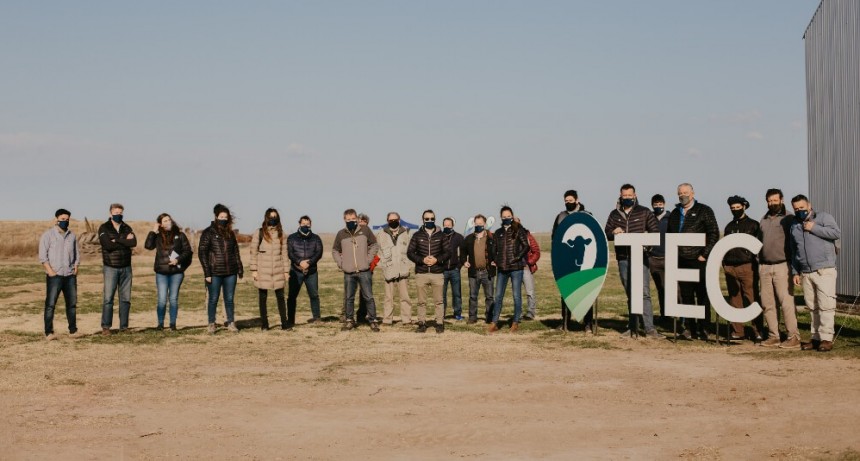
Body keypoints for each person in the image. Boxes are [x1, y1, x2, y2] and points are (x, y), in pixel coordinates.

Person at [604, 184, 662, 339]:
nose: (627, 198)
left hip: (641, 258)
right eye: (625, 196)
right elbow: (606, 233)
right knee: (630, 293)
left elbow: (655, 232)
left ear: (635, 195)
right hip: (623, 259)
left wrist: (646, 245)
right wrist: (613, 232)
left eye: (630, 195)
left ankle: (649, 329)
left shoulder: (644, 212)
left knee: (644, 293)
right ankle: (633, 327)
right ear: (620, 195)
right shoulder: (614, 214)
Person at [789, 195, 841, 352]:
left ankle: (826, 339)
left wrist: (814, 228)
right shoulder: (794, 226)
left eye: (802, 207)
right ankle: (816, 338)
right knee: (812, 307)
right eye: (796, 209)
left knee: (826, 305)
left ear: (809, 205)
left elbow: (836, 233)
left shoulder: (824, 217)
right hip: (806, 272)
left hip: (824, 270)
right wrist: (795, 272)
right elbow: (794, 251)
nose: (799, 211)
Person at [667, 183, 719, 341]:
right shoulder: (675, 213)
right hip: (681, 261)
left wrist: (704, 254)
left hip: (699, 260)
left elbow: (714, 233)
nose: (683, 195)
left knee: (702, 295)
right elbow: (670, 235)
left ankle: (705, 328)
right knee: (686, 296)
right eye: (680, 193)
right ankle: (690, 329)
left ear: (693, 193)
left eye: (685, 192)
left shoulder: (704, 210)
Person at [757, 189, 800, 348]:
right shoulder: (763, 219)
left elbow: (796, 242)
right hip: (765, 266)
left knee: (786, 302)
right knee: (767, 303)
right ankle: (773, 336)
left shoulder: (789, 218)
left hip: (783, 265)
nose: (772, 204)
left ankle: (793, 336)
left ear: (781, 200)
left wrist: (795, 267)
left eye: (775, 200)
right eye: (769, 201)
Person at [198, 204, 244, 334]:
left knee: (229, 299)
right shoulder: (208, 232)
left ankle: (231, 322)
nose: (223, 219)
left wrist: (239, 268)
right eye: (221, 217)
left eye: (225, 217)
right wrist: (207, 272)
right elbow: (202, 253)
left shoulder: (230, 233)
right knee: (213, 299)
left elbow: (235, 251)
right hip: (215, 272)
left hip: (231, 272)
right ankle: (211, 323)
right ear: (216, 217)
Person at [551, 189, 593, 332]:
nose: (568, 203)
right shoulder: (560, 217)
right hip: (567, 260)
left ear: (577, 200)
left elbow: (592, 235)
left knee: (586, 291)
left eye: (570, 200)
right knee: (566, 291)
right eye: (566, 201)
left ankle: (588, 323)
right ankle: (565, 322)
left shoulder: (586, 215)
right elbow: (555, 237)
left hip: (585, 261)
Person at [722, 196, 762, 343]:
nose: (735, 210)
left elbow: (759, 246)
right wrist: (725, 263)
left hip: (747, 266)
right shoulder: (729, 227)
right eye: (732, 208)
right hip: (730, 266)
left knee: (752, 298)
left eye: (738, 207)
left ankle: (758, 331)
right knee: (734, 299)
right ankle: (737, 331)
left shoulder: (754, 225)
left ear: (744, 207)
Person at [332, 209, 380, 332]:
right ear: (344, 219)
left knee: (368, 296)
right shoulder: (341, 234)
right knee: (349, 297)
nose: (351, 221)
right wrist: (341, 263)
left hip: (364, 270)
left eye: (353, 219)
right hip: (349, 272)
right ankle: (349, 320)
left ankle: (373, 320)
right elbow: (335, 250)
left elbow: (374, 245)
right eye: (348, 219)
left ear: (357, 219)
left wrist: (368, 260)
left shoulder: (365, 230)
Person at [144, 213, 193, 331]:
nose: (168, 222)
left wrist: (178, 260)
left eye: (169, 220)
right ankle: (160, 324)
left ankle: (172, 324)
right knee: (161, 300)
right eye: (165, 221)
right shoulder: (157, 236)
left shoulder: (180, 235)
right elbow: (148, 246)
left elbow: (187, 251)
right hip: (161, 272)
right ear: (160, 224)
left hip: (176, 272)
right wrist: (153, 231)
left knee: (173, 299)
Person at [407, 209, 451, 333]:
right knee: (421, 301)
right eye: (427, 219)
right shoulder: (417, 235)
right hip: (421, 272)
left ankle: (439, 323)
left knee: (439, 301)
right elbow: (410, 252)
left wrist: (437, 259)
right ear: (423, 220)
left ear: (435, 219)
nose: (429, 221)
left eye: (432, 218)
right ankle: (421, 323)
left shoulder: (441, 235)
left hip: (437, 272)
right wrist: (422, 260)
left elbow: (448, 252)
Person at [38, 208, 79, 340]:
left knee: (71, 305)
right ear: (56, 219)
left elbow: (76, 254)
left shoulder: (72, 236)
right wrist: (50, 271)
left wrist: (76, 267)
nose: (65, 221)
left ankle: (73, 331)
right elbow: (43, 256)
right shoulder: (48, 235)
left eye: (67, 219)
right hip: (55, 275)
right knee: (50, 305)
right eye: (62, 219)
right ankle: (49, 332)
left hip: (69, 275)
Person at [489, 206, 529, 333]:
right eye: (504, 216)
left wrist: (517, 257)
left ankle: (515, 322)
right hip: (502, 269)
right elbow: (493, 249)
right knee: (498, 296)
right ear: (501, 217)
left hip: (516, 268)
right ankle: (494, 323)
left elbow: (526, 246)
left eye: (508, 216)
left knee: (516, 296)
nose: (506, 218)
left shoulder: (518, 230)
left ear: (512, 216)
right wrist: (497, 259)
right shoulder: (497, 232)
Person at [98, 203, 137, 335]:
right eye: (116, 213)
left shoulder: (127, 227)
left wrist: (117, 240)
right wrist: (124, 241)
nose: (118, 215)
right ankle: (106, 327)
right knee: (108, 298)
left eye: (120, 213)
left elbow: (133, 242)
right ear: (110, 213)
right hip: (111, 267)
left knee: (125, 298)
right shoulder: (104, 227)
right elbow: (107, 245)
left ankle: (124, 326)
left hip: (126, 267)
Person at [250, 208, 290, 330]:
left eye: (275, 217)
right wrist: (254, 270)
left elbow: (284, 254)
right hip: (263, 271)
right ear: (266, 218)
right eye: (271, 217)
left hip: (278, 270)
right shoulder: (259, 232)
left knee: (281, 297)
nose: (273, 219)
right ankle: (264, 324)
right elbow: (253, 252)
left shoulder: (282, 234)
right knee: (262, 298)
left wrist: (286, 271)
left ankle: (284, 323)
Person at [376, 212, 413, 325]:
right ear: (387, 221)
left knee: (405, 297)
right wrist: (383, 265)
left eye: (395, 219)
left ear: (399, 220)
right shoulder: (381, 234)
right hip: (389, 270)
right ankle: (387, 320)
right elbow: (378, 252)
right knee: (388, 297)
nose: (393, 221)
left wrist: (409, 265)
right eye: (391, 220)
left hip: (403, 270)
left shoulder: (407, 233)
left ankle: (407, 320)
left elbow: (411, 251)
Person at [287, 215, 323, 324]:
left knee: (314, 295)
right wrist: (299, 262)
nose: (305, 226)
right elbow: (290, 253)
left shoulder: (316, 238)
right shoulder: (292, 238)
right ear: (299, 224)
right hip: (296, 271)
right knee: (292, 296)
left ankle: (316, 318)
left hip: (311, 271)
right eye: (303, 224)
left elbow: (319, 252)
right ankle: (290, 320)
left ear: (310, 225)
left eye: (307, 224)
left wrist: (309, 262)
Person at [460, 214, 496, 324]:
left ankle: (489, 317)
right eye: (476, 224)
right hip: (474, 272)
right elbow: (462, 252)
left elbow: (498, 250)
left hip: (488, 272)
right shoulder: (469, 239)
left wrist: (497, 261)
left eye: (480, 224)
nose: (478, 225)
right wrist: (464, 261)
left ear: (485, 224)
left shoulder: (491, 237)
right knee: (473, 296)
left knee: (489, 297)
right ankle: (472, 317)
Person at [649, 194, 670, 325]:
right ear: (652, 205)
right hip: (654, 258)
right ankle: (664, 316)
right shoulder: (649, 218)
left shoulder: (670, 218)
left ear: (664, 204)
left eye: (660, 204)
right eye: (655, 204)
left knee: (675, 290)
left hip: (668, 257)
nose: (658, 206)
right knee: (661, 289)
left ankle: (680, 318)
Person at [355, 213, 380, 324]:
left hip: (366, 269)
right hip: (353, 268)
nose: (362, 223)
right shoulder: (352, 233)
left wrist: (369, 264)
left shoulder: (369, 234)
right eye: (360, 221)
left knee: (365, 294)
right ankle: (346, 315)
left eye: (364, 221)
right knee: (349, 294)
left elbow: (374, 252)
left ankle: (364, 315)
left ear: (367, 223)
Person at [516, 217, 541, 321]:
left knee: (530, 291)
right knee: (516, 293)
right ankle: (518, 313)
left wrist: (529, 262)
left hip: (526, 268)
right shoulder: (509, 237)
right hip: (515, 269)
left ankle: (530, 313)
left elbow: (536, 251)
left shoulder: (528, 236)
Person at [441, 217, 465, 320]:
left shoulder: (458, 237)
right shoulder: (439, 236)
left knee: (457, 293)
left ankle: (457, 313)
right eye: (445, 225)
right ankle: (441, 314)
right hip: (442, 270)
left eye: (449, 225)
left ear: (452, 225)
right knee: (442, 294)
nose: (447, 227)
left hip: (455, 270)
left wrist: (459, 266)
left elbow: (463, 253)